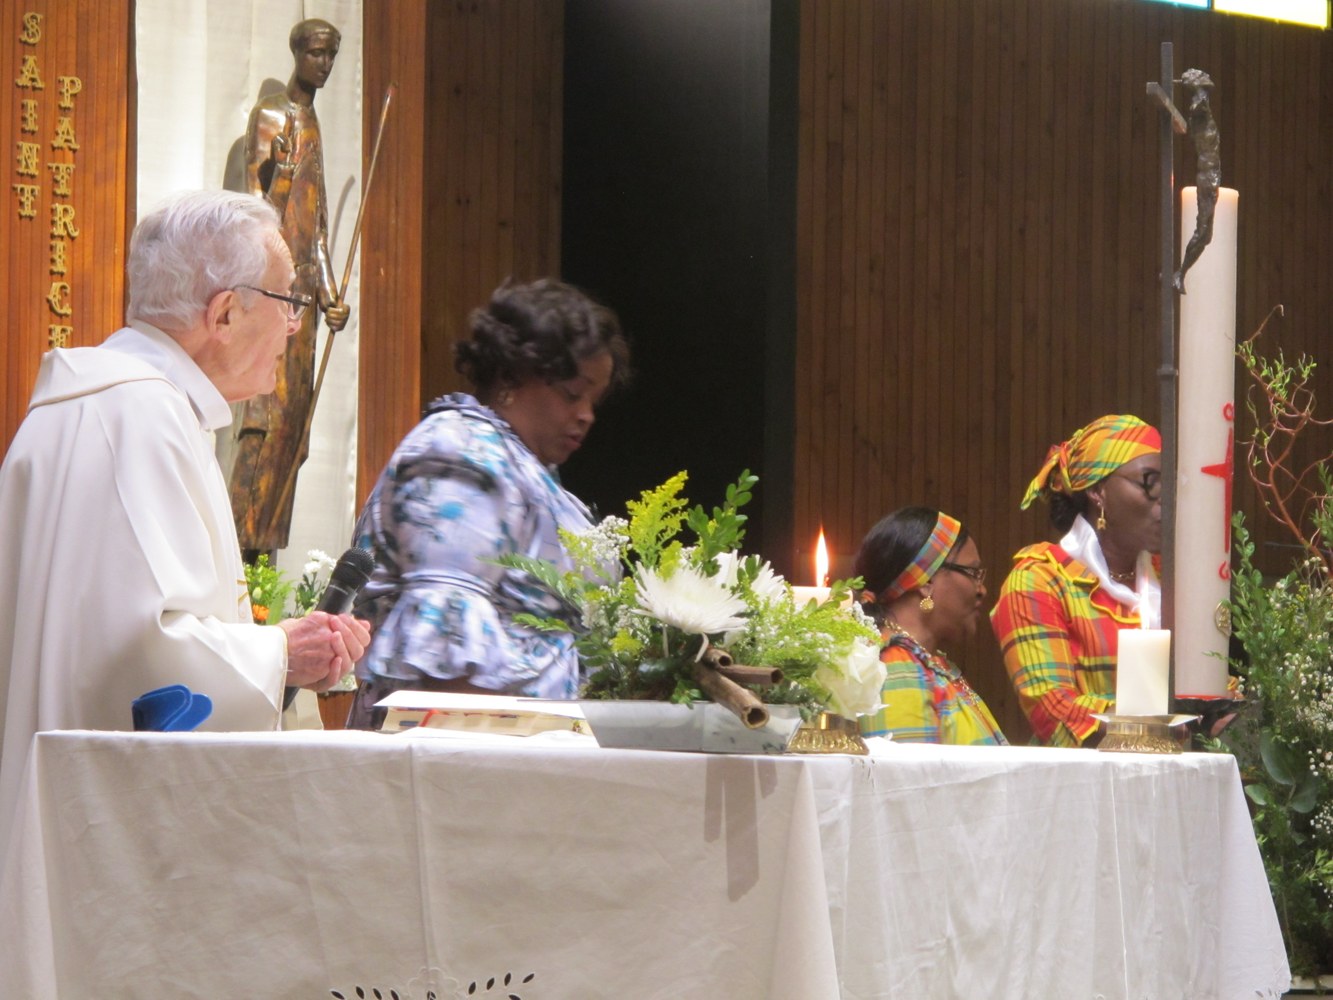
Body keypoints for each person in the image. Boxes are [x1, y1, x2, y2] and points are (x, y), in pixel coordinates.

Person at [0, 190, 371, 856]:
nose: (295, 328)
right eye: (289, 302)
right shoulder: (143, 417)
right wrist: (283, 653)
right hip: (110, 833)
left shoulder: (81, 407)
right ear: (224, 313)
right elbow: (140, 653)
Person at [345, 278, 630, 730]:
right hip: (471, 753)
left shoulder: (522, 467)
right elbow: (443, 668)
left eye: (594, 400)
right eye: (573, 394)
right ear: (513, 375)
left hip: (528, 747)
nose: (586, 415)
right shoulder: (460, 454)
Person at [227, 17, 349, 558]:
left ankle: (266, 556)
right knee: (265, 420)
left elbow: (314, 225)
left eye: (332, 55)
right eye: (317, 53)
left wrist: (329, 295)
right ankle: (238, 549)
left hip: (304, 296)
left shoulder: (313, 122)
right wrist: (278, 173)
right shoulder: (271, 115)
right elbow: (259, 212)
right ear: (298, 53)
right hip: (272, 291)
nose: (325, 65)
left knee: (294, 433)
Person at [990, 413, 1162, 747]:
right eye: (1150, 483)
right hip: (1085, 776)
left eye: (1170, 483)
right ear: (1098, 491)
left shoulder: (1172, 579)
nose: (1165, 498)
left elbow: (1207, 683)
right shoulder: (1040, 580)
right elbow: (1054, 709)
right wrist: (1164, 725)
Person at [854, 507, 1007, 745]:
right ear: (926, 582)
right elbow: (908, 770)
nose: (982, 590)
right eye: (973, 572)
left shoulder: (924, 663)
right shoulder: (897, 668)